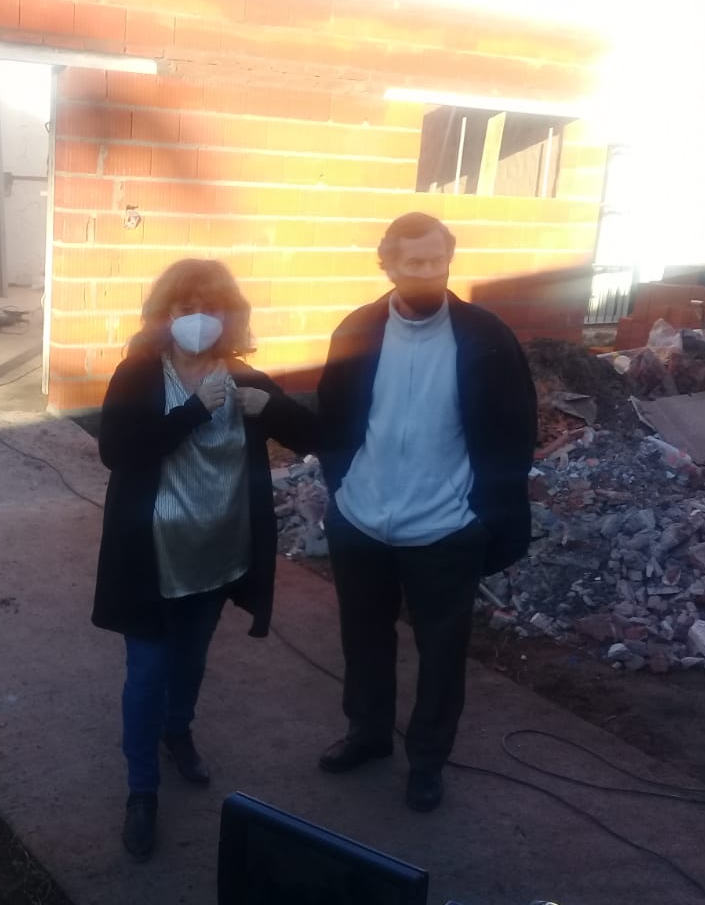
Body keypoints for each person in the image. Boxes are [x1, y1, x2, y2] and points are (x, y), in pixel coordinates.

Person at [92, 258, 315, 862]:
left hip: (217, 552)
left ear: (229, 315)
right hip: (150, 556)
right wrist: (193, 409)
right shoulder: (140, 374)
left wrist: (268, 409)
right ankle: (142, 791)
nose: (197, 319)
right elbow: (118, 451)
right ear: (164, 315)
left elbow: (313, 436)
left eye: (210, 308)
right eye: (184, 307)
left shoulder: (244, 378)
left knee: (190, 661)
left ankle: (179, 731)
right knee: (146, 673)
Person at [314, 212, 536, 812]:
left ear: (449, 260)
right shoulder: (358, 331)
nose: (427, 273)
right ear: (387, 264)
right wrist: (345, 490)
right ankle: (367, 734)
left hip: (446, 527)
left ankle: (427, 761)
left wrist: (485, 515)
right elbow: (332, 418)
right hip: (362, 521)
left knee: (442, 654)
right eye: (413, 262)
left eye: (437, 261)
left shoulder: (486, 338)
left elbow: (515, 433)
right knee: (364, 640)